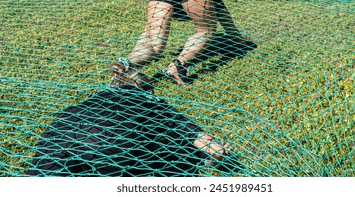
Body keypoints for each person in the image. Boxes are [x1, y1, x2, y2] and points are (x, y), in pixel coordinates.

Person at [25, 66, 230, 177]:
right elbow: (196, 136)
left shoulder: (94, 98)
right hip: (111, 145)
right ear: (146, 89)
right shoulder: (151, 100)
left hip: (63, 133)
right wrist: (215, 152)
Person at [111, 0, 246, 86]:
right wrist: (237, 37)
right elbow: (221, 11)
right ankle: (177, 66)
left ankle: (125, 63)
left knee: (154, 42)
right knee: (206, 30)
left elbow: (148, 29)